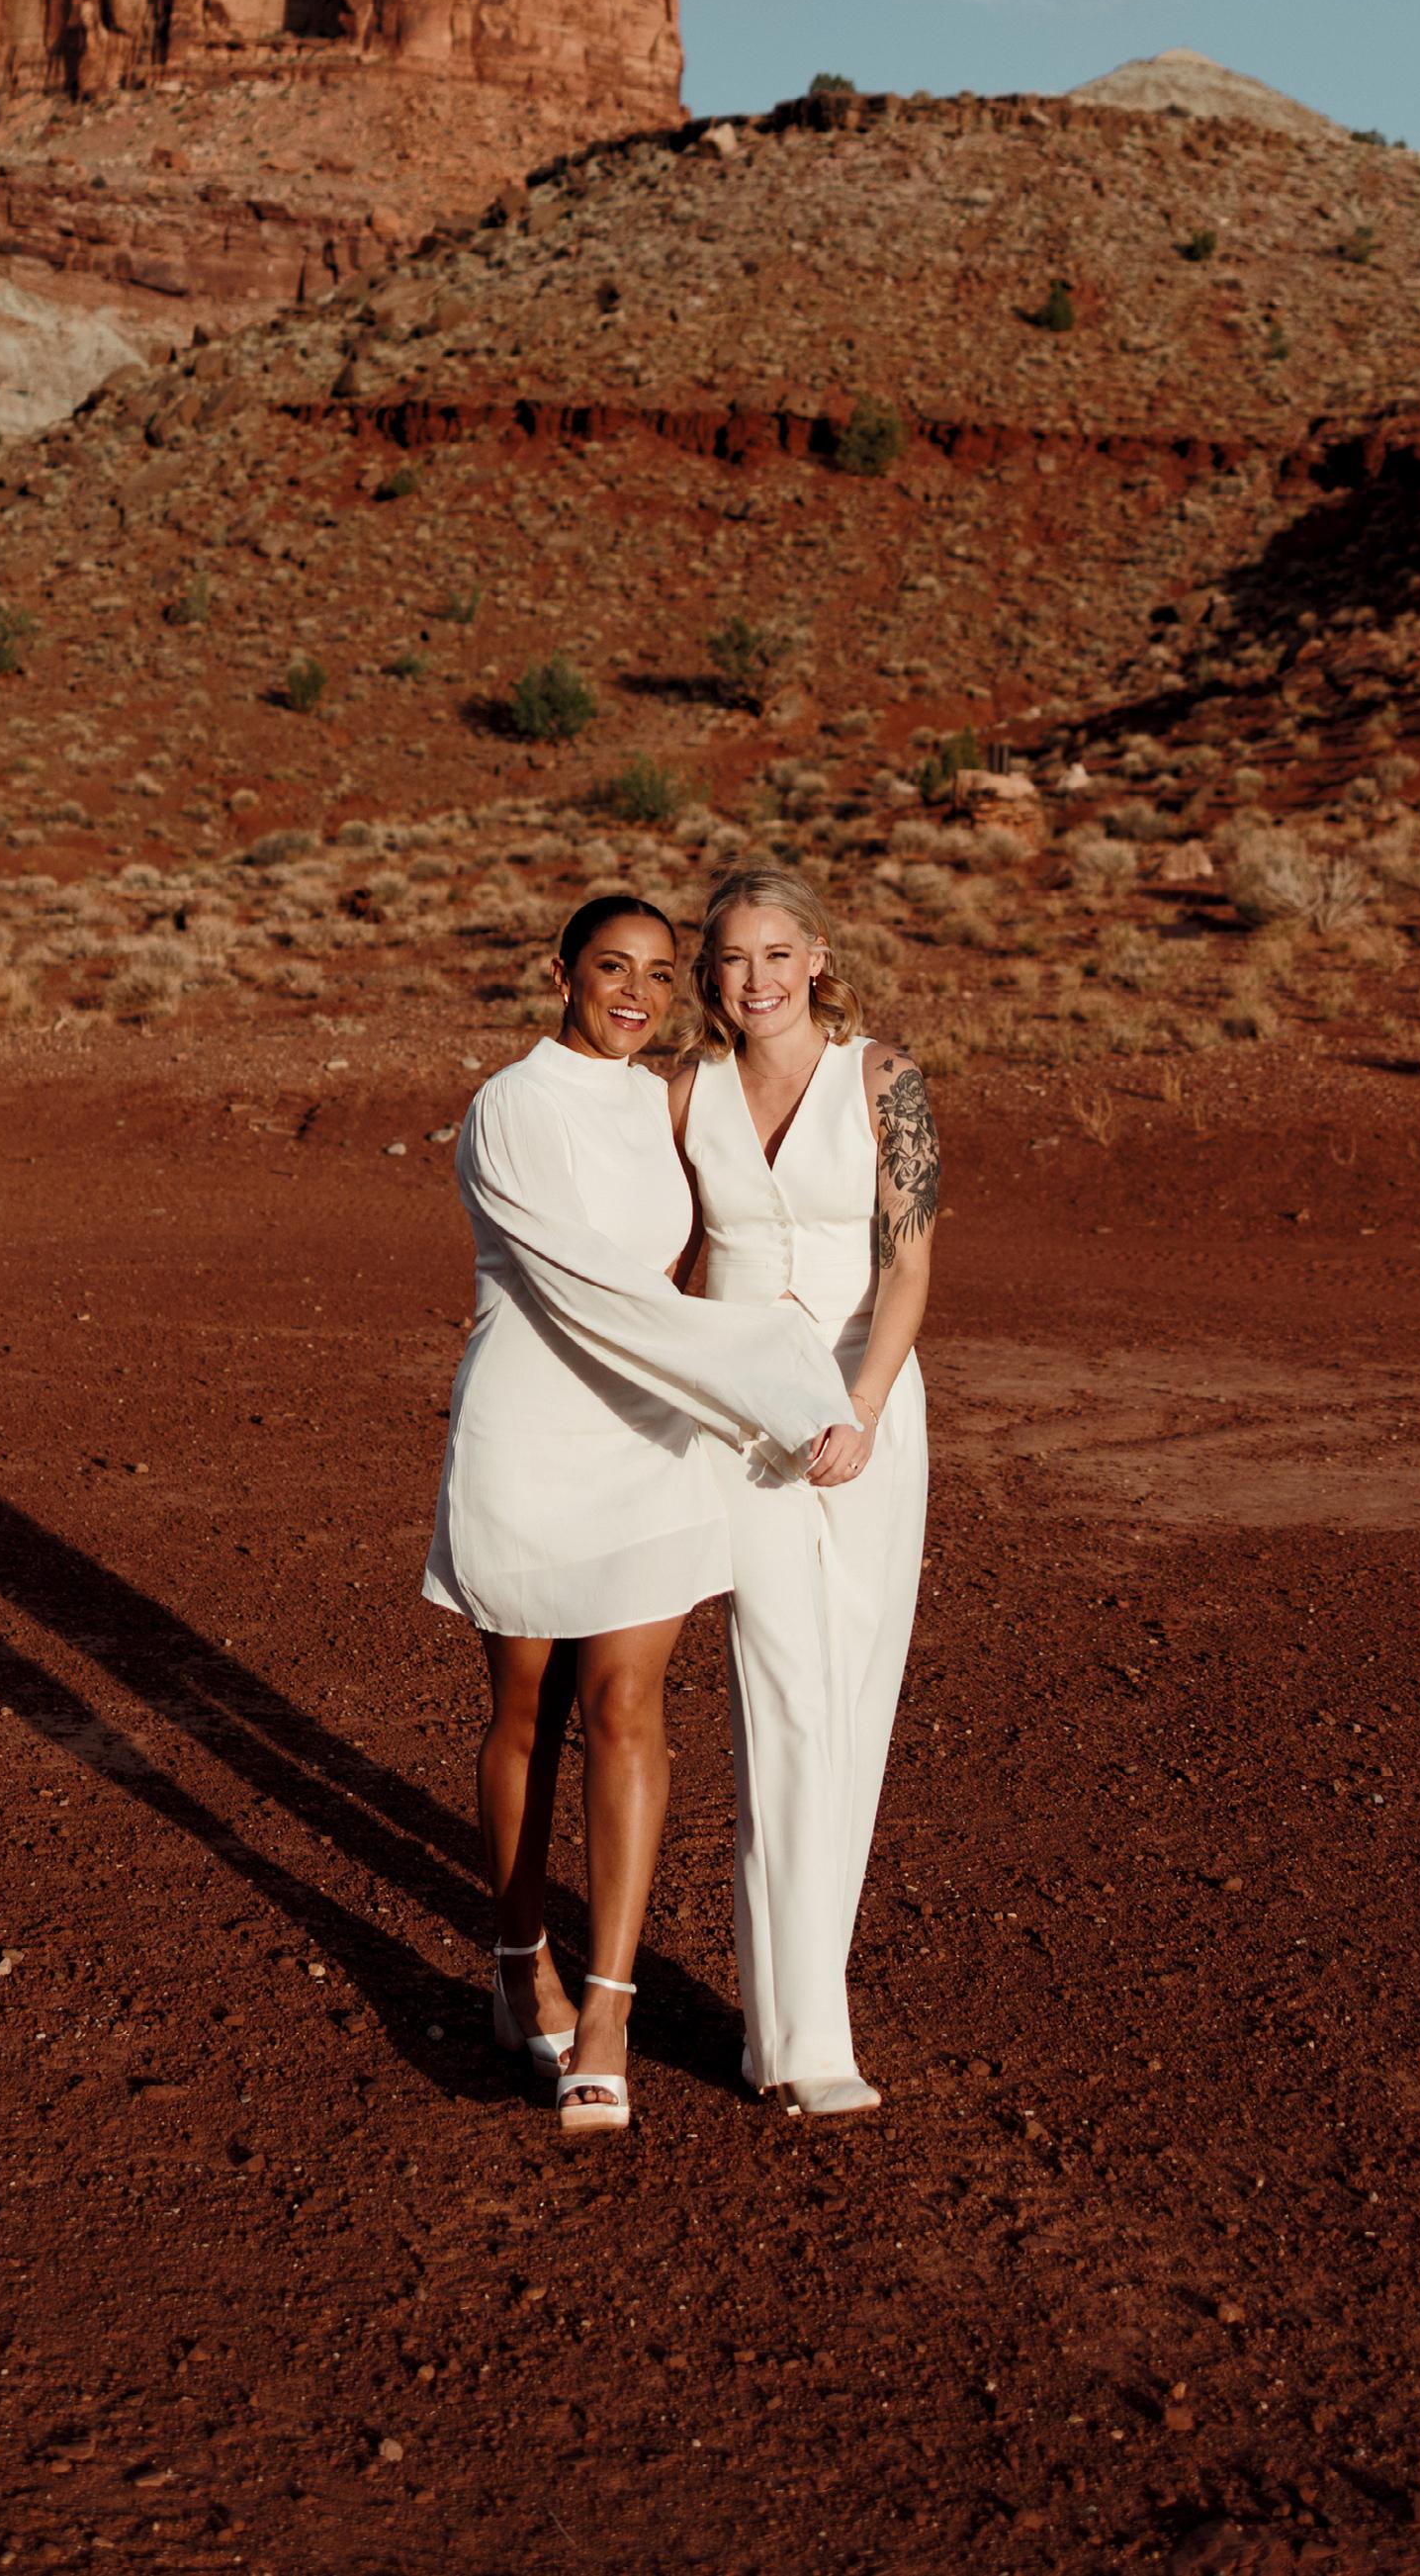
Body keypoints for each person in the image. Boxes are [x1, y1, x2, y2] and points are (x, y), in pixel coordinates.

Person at [424, 893, 848, 2144]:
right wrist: (774, 1375)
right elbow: (593, 1290)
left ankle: (605, 2014)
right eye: (612, 968)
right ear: (559, 971)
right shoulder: (511, 1106)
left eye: (662, 975)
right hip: (529, 1438)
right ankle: (521, 1969)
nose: (636, 995)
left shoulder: (663, 1103)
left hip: (649, 1442)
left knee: (627, 1710)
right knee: (527, 1717)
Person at [669, 862, 934, 2120]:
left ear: (818, 958)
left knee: (855, 1690)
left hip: (867, 1405)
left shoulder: (885, 1081)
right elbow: (659, 1259)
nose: (757, 979)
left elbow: (909, 1264)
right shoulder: (684, 1092)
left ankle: (792, 2007)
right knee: (780, 1692)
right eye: (733, 959)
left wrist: (863, 1408)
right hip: (737, 1423)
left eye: (778, 954)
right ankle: (805, 2042)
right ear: (708, 974)